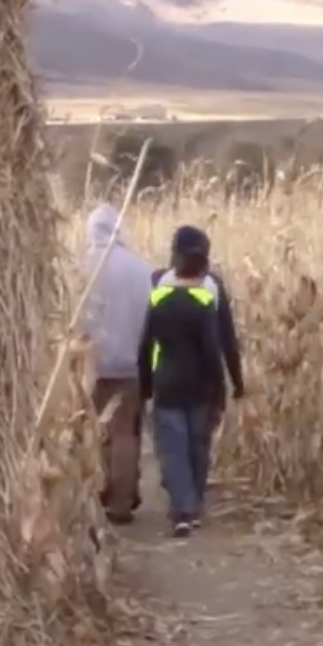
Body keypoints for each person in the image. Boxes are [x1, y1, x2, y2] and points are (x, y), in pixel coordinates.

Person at [138, 226, 241, 537]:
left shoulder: (158, 289)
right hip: (201, 386)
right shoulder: (209, 293)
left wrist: (145, 384)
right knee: (198, 445)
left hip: (166, 381)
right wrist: (228, 383)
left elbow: (146, 344)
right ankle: (192, 503)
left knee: (173, 448)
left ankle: (183, 508)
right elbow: (221, 343)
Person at [78, 203, 155, 524]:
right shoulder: (142, 270)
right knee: (124, 433)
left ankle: (95, 497)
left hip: (88, 368)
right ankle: (122, 501)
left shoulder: (81, 268)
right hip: (131, 364)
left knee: (90, 433)